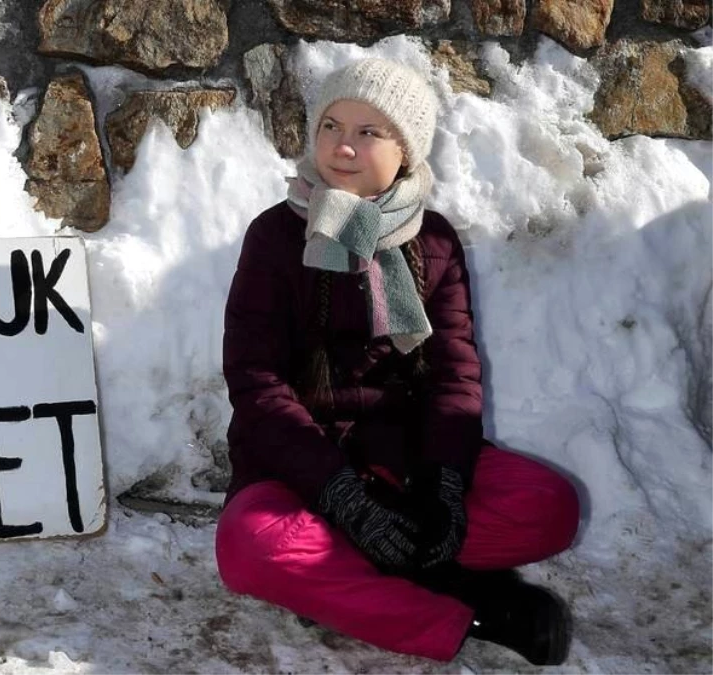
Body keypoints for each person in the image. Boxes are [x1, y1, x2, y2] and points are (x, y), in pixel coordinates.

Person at [215, 58, 581, 665]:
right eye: (332, 125)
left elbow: (452, 375)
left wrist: (442, 485)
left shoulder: (432, 240)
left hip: (406, 460)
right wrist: (342, 497)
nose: (344, 147)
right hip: (301, 472)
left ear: (406, 152)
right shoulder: (276, 236)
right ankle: (472, 609)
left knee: (549, 507)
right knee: (248, 548)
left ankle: (354, 577)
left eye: (368, 132)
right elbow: (257, 385)